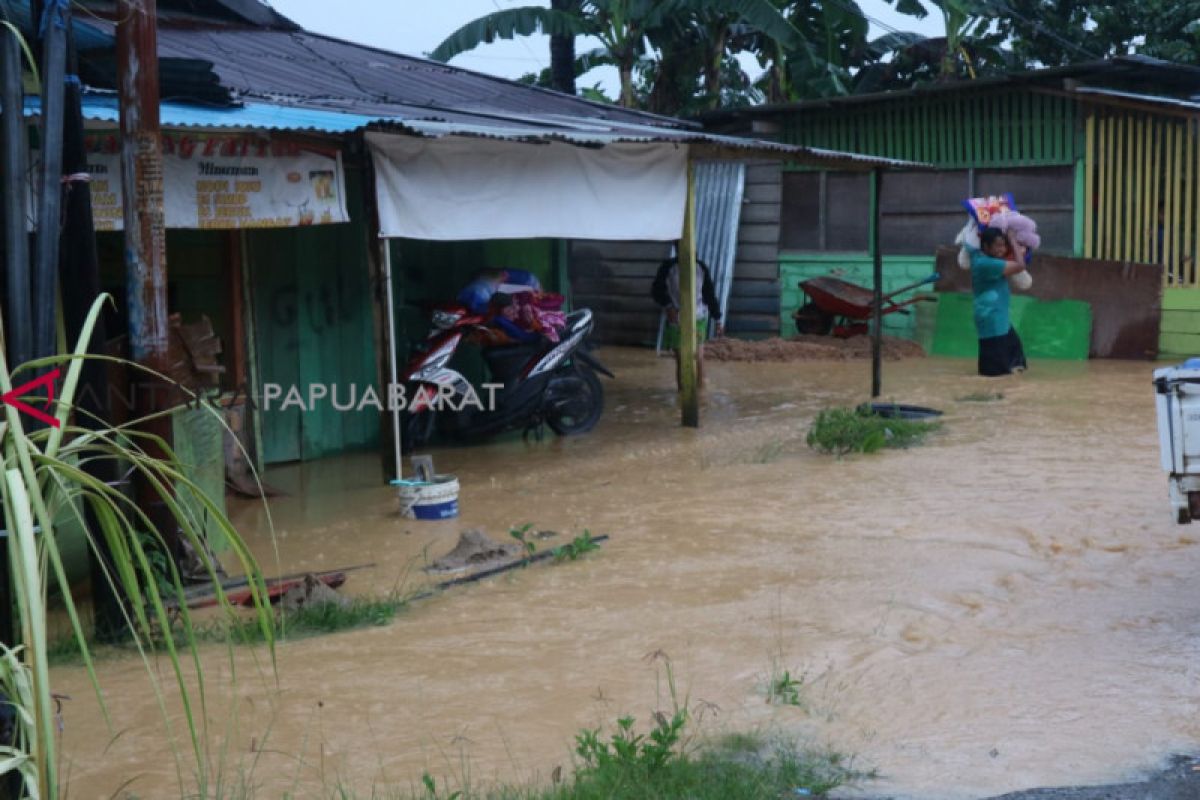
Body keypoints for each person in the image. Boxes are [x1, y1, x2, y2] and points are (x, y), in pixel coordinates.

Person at [652, 254, 723, 390]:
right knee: (681, 360)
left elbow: (709, 294)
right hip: (676, 320)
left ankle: (701, 395)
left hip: (698, 318)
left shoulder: (700, 267)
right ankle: (682, 396)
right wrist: (668, 306)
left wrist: (718, 318)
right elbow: (656, 290)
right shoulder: (668, 267)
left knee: (698, 357)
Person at [969, 227, 1029, 377]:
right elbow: (1020, 265)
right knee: (995, 375)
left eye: (1003, 245)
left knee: (1016, 362)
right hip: (992, 322)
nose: (1002, 249)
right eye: (998, 245)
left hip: (1000, 320)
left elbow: (969, 242)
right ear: (985, 247)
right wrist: (1012, 239)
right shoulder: (986, 264)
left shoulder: (980, 257)